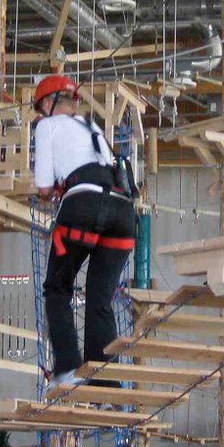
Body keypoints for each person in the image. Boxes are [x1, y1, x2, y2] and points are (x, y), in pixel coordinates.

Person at [31, 75, 137, 390]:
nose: (39, 116)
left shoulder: (46, 126)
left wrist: (49, 193)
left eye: (40, 109)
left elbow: (44, 185)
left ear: (49, 104)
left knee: (58, 289)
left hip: (82, 208)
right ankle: (106, 387)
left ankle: (66, 369)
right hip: (121, 214)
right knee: (100, 298)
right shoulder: (94, 130)